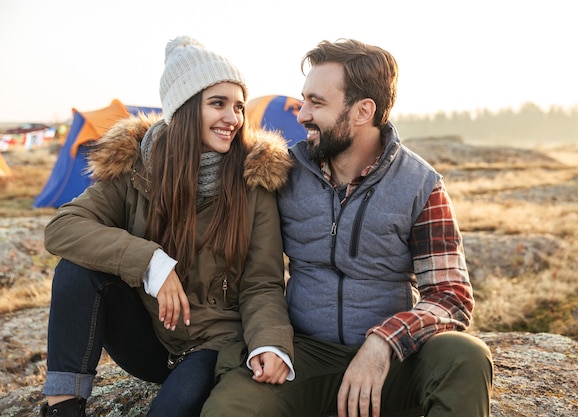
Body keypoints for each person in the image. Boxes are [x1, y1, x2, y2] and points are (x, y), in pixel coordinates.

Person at [200, 39, 493, 417]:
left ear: (362, 111)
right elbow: (260, 278)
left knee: (465, 356)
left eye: (317, 103)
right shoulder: (280, 173)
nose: (302, 114)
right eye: (303, 100)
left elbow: (451, 295)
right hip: (303, 357)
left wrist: (383, 341)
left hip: (394, 363)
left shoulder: (421, 184)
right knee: (230, 407)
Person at [39, 35, 295, 417]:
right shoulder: (137, 169)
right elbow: (62, 228)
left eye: (239, 106)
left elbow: (263, 282)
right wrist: (150, 263)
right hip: (150, 337)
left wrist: (271, 345)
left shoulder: (252, 180)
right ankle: (63, 408)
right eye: (218, 104)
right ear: (186, 107)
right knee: (76, 271)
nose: (233, 118)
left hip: (214, 344)